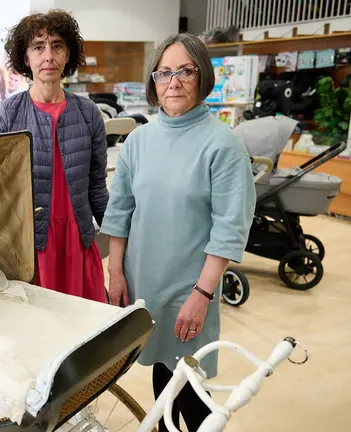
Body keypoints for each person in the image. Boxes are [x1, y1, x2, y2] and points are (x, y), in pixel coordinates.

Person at [100, 33, 256, 431]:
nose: (174, 81)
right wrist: (116, 272)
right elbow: (119, 211)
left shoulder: (222, 144)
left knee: (191, 391)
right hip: (143, 282)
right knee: (160, 372)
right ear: (153, 81)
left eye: (185, 71)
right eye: (164, 72)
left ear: (202, 77)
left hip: (190, 287)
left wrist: (203, 294)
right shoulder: (138, 140)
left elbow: (229, 227)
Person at [0, 9, 109, 303]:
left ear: (68, 55)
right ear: (26, 58)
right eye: (38, 47)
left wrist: (118, 248)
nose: (48, 56)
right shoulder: (7, 113)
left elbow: (97, 188)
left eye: (57, 45)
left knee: (85, 329)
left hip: (77, 242)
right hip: (31, 245)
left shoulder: (88, 113)